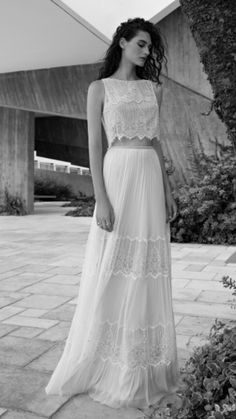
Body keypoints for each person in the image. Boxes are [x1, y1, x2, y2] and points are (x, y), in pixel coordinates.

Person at [45, 17, 180, 413]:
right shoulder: (98, 89)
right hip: (118, 177)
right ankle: (109, 360)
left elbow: (156, 145)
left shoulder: (154, 89)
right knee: (114, 266)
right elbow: (93, 146)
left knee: (147, 267)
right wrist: (100, 200)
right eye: (140, 44)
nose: (146, 52)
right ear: (122, 43)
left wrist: (169, 192)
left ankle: (144, 366)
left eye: (150, 47)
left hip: (149, 178)